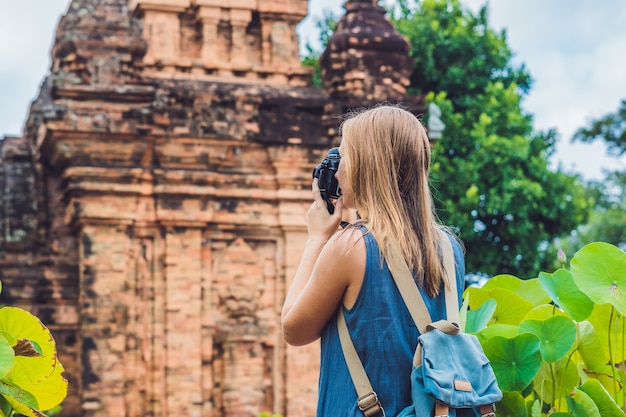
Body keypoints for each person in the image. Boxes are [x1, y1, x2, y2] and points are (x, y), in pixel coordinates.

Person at [281, 104, 466, 416]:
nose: (337, 170)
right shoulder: (450, 249)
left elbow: (294, 329)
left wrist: (316, 238)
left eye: (344, 156)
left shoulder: (350, 246)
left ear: (367, 165)